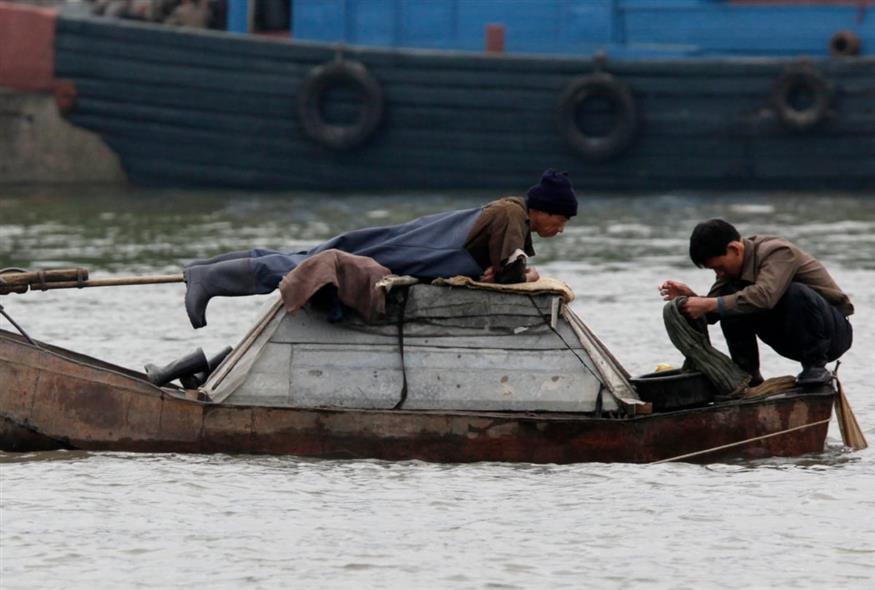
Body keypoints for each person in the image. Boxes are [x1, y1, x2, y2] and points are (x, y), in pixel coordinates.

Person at [184, 169, 578, 328]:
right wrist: (530, 274)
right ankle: (210, 279)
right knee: (320, 262)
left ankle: (207, 270)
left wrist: (506, 269)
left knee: (319, 251)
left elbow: (502, 268)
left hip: (419, 244)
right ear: (543, 210)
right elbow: (510, 273)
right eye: (560, 221)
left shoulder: (509, 213)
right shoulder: (513, 214)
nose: (559, 231)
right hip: (419, 251)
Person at [659, 219, 853, 386]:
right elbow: (712, 312)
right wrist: (691, 297)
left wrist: (710, 303)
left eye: (719, 267)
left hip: (831, 335)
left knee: (794, 292)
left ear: (734, 249)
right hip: (789, 338)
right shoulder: (731, 273)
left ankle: (815, 367)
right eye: (714, 270)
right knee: (731, 304)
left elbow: (765, 296)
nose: (719, 274)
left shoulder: (778, 252)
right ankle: (749, 378)